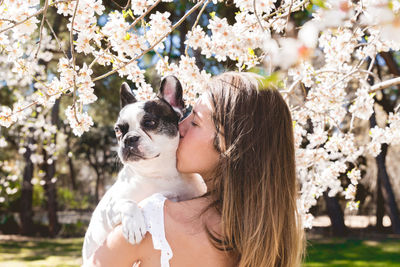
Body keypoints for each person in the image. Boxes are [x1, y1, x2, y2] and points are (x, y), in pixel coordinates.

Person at [88, 72, 305, 267]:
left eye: (195, 122)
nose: (180, 126)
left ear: (229, 144)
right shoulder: (275, 235)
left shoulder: (152, 221)